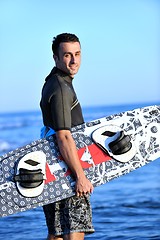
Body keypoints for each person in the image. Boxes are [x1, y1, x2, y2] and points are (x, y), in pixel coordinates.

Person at [40, 33, 95, 240]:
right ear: (56, 58)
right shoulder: (61, 88)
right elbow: (63, 136)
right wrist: (80, 177)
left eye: (77, 54)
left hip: (52, 169)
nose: (74, 61)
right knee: (74, 230)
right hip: (68, 171)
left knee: (56, 233)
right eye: (67, 55)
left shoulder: (52, 82)